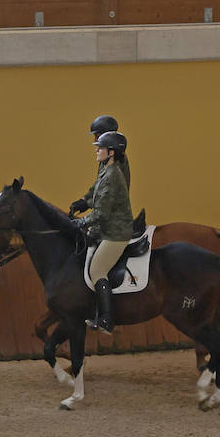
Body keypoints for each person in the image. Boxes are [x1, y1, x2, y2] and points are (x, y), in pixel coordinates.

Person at [76, 131, 133, 334]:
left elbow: (101, 212)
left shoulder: (111, 176)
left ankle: (107, 320)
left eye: (100, 148)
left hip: (116, 232)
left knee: (97, 270)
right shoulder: (106, 171)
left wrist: (80, 222)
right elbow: (97, 199)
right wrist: (84, 202)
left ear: (110, 152)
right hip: (107, 228)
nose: (97, 151)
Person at [68, 114, 131, 215]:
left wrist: (87, 204)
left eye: (97, 137)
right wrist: (84, 199)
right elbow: (99, 184)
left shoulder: (116, 159)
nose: (94, 141)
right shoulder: (107, 158)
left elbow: (108, 193)